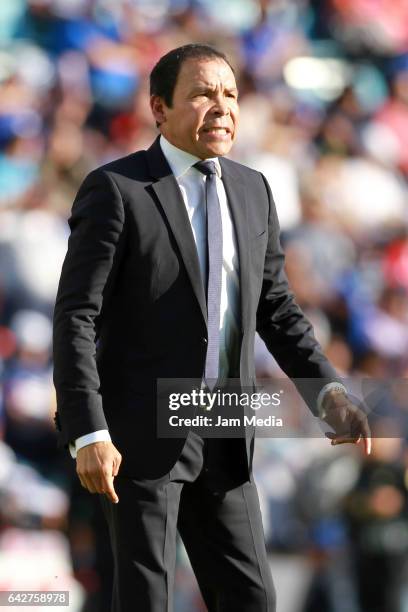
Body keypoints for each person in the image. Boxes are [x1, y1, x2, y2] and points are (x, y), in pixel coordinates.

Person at [52, 44, 371, 612]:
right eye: (201, 93)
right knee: (146, 598)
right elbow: (77, 315)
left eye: (229, 94)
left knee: (252, 598)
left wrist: (327, 389)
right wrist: (89, 431)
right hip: (137, 433)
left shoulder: (255, 189)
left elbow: (276, 309)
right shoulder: (116, 190)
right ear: (159, 107)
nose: (220, 107)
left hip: (225, 426)